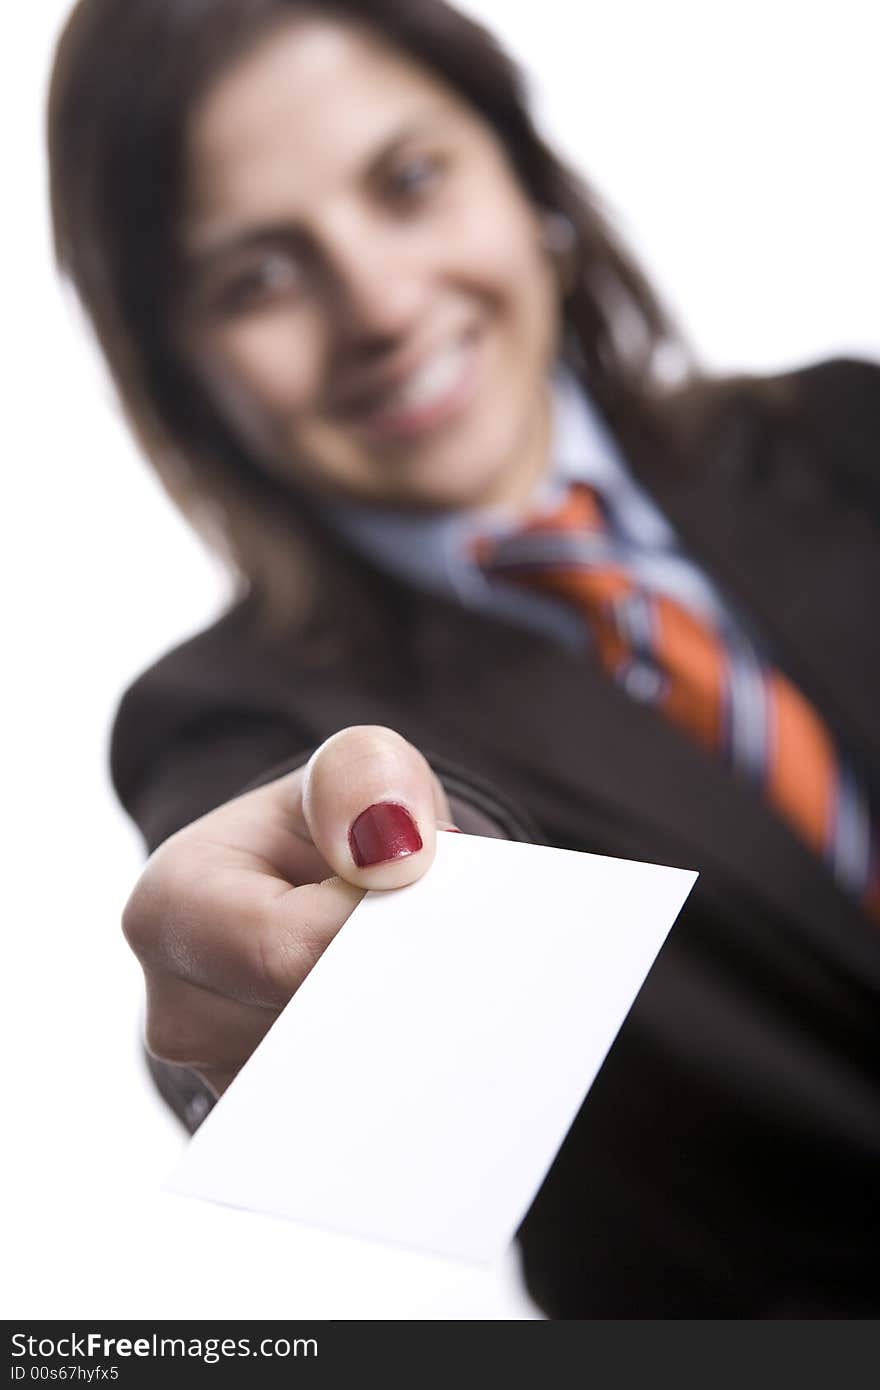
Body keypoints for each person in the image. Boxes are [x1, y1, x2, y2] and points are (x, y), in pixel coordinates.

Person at [48, 0, 880, 1317]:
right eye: (257, 276)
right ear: (183, 368)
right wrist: (354, 920)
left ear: (522, 171)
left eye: (411, 181)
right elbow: (338, 876)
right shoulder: (224, 712)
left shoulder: (850, 430)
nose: (379, 304)